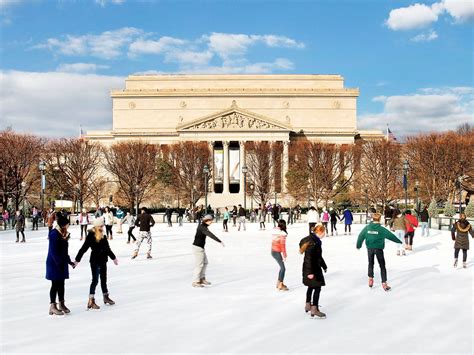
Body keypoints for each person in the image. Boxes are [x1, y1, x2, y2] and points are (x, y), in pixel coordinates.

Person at [74, 218, 118, 310]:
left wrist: (113, 258)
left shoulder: (103, 234)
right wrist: (77, 260)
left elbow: (107, 248)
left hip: (103, 260)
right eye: (101, 226)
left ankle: (105, 297)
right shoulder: (91, 235)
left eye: (102, 226)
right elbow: (83, 249)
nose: (102, 227)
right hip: (95, 260)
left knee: (103, 279)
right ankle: (91, 300)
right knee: (95, 280)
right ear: (97, 226)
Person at [356, 213, 402, 291]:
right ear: (379, 219)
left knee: (371, 263)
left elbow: (361, 236)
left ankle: (370, 279)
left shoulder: (367, 228)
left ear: (372, 219)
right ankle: (384, 283)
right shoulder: (381, 229)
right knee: (382, 265)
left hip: (370, 248)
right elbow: (390, 235)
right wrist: (399, 241)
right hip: (378, 249)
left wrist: (358, 245)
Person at [46, 212, 75, 315]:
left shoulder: (63, 234)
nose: (68, 226)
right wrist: (59, 264)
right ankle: (53, 306)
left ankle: (61, 304)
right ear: (63, 224)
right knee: (55, 284)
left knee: (61, 284)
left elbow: (64, 251)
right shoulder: (54, 234)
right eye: (67, 224)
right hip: (54, 263)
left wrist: (69, 262)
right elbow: (53, 252)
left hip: (61, 263)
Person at [299, 224, 327, 318]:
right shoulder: (313, 243)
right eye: (324, 233)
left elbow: (318, 257)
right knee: (317, 288)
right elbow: (309, 259)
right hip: (312, 269)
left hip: (312, 268)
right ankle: (314, 308)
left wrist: (324, 266)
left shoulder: (314, 241)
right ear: (319, 232)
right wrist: (310, 272)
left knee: (311, 286)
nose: (324, 234)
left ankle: (308, 305)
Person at [192, 214, 225, 287]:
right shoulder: (202, 227)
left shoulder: (203, 226)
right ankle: (195, 281)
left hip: (200, 247)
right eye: (211, 220)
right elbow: (210, 235)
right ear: (207, 220)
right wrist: (219, 241)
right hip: (197, 248)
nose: (212, 222)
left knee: (205, 262)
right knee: (199, 265)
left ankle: (202, 278)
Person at [271, 219, 289, 291]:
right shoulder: (282, 234)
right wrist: (284, 254)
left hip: (273, 251)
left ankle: (279, 283)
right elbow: (282, 245)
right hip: (277, 252)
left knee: (282, 268)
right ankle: (280, 284)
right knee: (283, 268)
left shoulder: (275, 232)